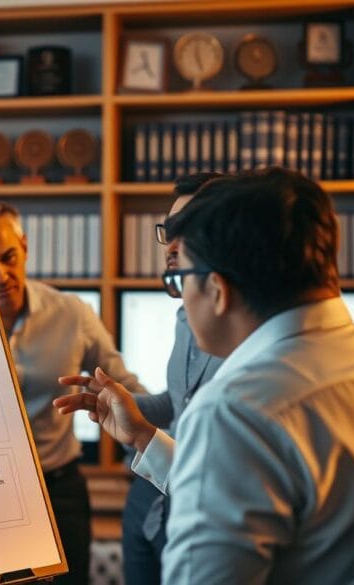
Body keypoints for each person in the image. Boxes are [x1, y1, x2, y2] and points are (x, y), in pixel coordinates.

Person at [56, 168, 354, 583]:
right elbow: (239, 489)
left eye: (180, 279)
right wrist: (143, 435)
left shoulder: (236, 410)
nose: (181, 298)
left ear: (217, 290)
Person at [0, 197, 147, 585]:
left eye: (7, 257)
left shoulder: (71, 313)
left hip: (58, 492)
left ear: (24, 247)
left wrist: (175, 429)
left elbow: (128, 390)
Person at [124, 172, 224, 585]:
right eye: (169, 230)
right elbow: (180, 401)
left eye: (188, 229)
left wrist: (140, 431)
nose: (171, 246)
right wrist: (123, 403)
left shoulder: (244, 332)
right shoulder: (185, 315)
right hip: (150, 491)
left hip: (202, 500)